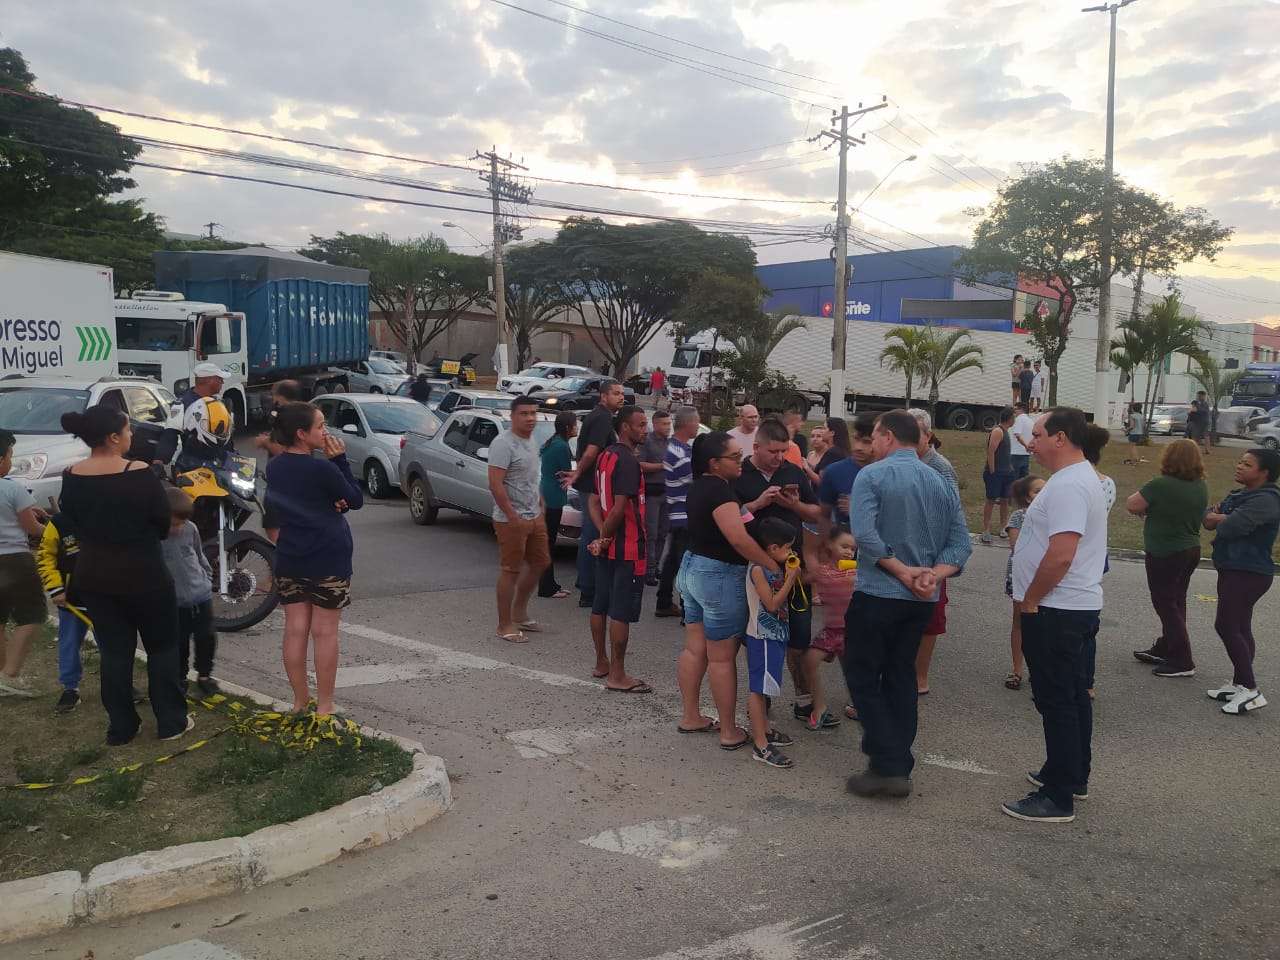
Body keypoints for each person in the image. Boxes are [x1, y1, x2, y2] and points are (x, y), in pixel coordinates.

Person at [843, 410, 971, 799]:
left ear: (886, 436)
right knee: (901, 676)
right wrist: (932, 574)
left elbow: (864, 535)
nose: (871, 444)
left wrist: (901, 571)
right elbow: (960, 544)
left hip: (879, 592)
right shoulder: (939, 480)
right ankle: (896, 759)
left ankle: (889, 764)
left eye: (874, 436)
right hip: (921, 598)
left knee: (863, 678)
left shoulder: (872, 475)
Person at [56, 407, 191, 743]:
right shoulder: (139, 471)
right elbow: (162, 523)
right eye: (128, 429)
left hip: (96, 578)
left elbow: (69, 521)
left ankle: (122, 727)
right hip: (145, 575)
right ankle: (172, 722)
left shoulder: (72, 474)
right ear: (114, 437)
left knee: (115, 652)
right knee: (161, 649)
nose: (131, 435)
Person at [1004, 407, 1108, 824]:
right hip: (1070, 606)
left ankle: (1058, 796)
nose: (1031, 442)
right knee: (1073, 695)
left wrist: (1031, 600)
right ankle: (1070, 773)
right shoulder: (1076, 479)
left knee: (1058, 701)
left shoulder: (1068, 486)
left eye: (1039, 434)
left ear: (1061, 438)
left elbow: (1062, 554)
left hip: (1057, 608)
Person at [676, 431, 778, 746]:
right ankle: (729, 732)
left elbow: (731, 517)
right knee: (721, 657)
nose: (741, 460)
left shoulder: (702, 487)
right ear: (714, 463)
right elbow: (737, 538)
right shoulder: (719, 492)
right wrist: (772, 567)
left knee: (695, 648)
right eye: (734, 457)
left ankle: (691, 716)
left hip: (692, 569)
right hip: (718, 576)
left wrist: (755, 504)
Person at [264, 402, 364, 716]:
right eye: (320, 426)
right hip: (328, 557)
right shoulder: (324, 467)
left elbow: (313, 502)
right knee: (325, 632)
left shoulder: (276, 466)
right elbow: (355, 499)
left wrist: (336, 503)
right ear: (301, 433)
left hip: (291, 556)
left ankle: (299, 700)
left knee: (294, 629)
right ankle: (325, 705)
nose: (326, 432)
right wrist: (341, 461)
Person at [732, 418, 825, 726]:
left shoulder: (793, 471)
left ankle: (803, 700)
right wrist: (758, 503)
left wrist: (796, 505)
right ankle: (762, 698)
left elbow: (816, 513)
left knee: (798, 637)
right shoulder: (738, 474)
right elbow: (728, 517)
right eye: (773, 451)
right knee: (757, 638)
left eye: (785, 450)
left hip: (792, 571)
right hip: (755, 570)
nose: (780, 457)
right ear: (756, 447)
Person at [1202, 447, 1280, 715]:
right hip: (1231, 567)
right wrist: (1221, 517)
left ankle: (1250, 689)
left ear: (1264, 472)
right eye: (1239, 462)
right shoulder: (1240, 494)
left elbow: (1233, 526)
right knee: (1241, 626)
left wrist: (1221, 517)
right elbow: (1209, 519)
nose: (1239, 466)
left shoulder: (1267, 500)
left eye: (1246, 464)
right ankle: (1239, 683)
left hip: (1249, 571)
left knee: (1225, 625)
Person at [1125, 440, 1209, 678]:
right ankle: (1166, 646)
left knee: (1164, 603)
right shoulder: (1201, 485)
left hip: (1165, 551)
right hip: (1190, 548)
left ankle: (1183, 659)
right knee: (1176, 600)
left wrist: (1147, 508)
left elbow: (1132, 504)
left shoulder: (1160, 485)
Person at [587, 406, 650, 693]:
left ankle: (601, 662)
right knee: (621, 612)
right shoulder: (626, 460)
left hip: (608, 547)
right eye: (640, 424)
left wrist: (601, 538)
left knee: (600, 605)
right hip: (627, 547)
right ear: (625, 427)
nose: (645, 429)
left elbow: (593, 499)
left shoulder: (605, 455)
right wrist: (607, 536)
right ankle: (618, 674)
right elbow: (620, 508)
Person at [487, 396, 550, 643]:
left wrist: (541, 502)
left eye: (533, 413)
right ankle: (504, 625)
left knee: (541, 562)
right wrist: (512, 516)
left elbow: (532, 477)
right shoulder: (503, 443)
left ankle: (520, 612)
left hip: (534, 515)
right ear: (513, 416)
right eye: (524, 413)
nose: (530, 418)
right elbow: (495, 483)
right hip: (510, 519)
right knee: (510, 570)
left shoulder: (532, 440)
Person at [744, 518, 802, 768]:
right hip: (762, 636)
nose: (790, 552)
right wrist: (790, 578)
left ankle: (765, 729)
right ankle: (760, 744)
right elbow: (771, 604)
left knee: (766, 686)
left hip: (775, 634)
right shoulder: (758, 569)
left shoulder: (773, 565)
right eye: (787, 547)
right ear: (772, 548)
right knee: (759, 689)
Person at [909, 408, 960, 696]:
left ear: (928, 436)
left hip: (931, 555)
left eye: (913, 434)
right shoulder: (900, 462)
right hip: (904, 552)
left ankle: (920, 677)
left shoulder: (939, 467)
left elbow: (952, 513)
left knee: (930, 618)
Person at [565, 380, 626, 608]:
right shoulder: (601, 418)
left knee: (593, 534)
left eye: (622, 394)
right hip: (592, 486)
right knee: (593, 535)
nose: (620, 397)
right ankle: (589, 589)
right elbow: (592, 452)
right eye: (615, 394)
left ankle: (589, 585)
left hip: (593, 484)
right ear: (603, 396)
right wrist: (577, 472)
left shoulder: (603, 417)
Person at [0, 429, 48, 699]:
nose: (10, 461)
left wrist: (27, 509)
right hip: (14, 559)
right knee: (33, 614)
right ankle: (11, 674)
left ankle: (1, 676)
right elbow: (32, 528)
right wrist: (54, 527)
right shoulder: (11, 488)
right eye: (10, 455)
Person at [162, 486, 219, 696]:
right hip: (174, 603)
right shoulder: (156, 538)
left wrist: (206, 576)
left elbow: (198, 554)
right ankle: (180, 676)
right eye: (175, 524)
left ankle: (204, 674)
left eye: (184, 522)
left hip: (200, 596)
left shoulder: (190, 529)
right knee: (179, 643)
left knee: (207, 637)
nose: (180, 527)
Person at [35, 500, 90, 712]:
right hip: (71, 599)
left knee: (112, 645)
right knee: (68, 643)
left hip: (102, 597)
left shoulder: (104, 515)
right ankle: (70, 688)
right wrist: (56, 589)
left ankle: (121, 683)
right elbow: (45, 556)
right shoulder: (58, 523)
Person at [804, 526, 858, 726]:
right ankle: (820, 707)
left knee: (854, 670)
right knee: (809, 661)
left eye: (852, 549)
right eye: (844, 546)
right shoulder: (822, 571)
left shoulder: (856, 572)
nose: (849, 552)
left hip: (852, 632)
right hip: (832, 631)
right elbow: (802, 578)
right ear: (830, 545)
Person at [655, 407, 700, 618]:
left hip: (676, 513)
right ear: (689, 423)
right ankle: (686, 609)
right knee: (685, 563)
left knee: (673, 560)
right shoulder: (681, 453)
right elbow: (695, 481)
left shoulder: (675, 447)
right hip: (684, 514)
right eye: (697, 421)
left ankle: (664, 601)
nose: (698, 425)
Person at [1003, 474, 1045, 691]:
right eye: (1037, 491)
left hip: (1046, 576)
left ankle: (1041, 671)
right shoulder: (1019, 516)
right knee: (1020, 622)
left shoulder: (1054, 515)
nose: (1043, 494)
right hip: (1021, 576)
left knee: (1045, 625)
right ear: (1027, 498)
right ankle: (1017, 670)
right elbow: (1016, 546)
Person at [538, 411, 577, 600]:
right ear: (568, 428)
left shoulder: (552, 442)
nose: (577, 427)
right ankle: (546, 587)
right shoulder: (562, 446)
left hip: (547, 491)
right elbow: (567, 472)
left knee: (548, 541)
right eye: (575, 424)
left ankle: (550, 583)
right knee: (549, 543)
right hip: (553, 496)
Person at [255, 379, 301, 543]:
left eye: (274, 394)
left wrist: (265, 443)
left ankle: (281, 560)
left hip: (283, 481)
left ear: (280, 397)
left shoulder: (286, 417)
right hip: (293, 480)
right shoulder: (301, 414)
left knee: (273, 525)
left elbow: (286, 452)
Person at [817, 412, 877, 532]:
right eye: (856, 439)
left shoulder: (894, 475)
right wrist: (829, 544)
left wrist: (857, 509)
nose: (858, 447)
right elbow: (824, 517)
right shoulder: (835, 472)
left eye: (867, 442)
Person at [637, 410, 672, 587]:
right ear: (656, 424)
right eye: (664, 424)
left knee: (662, 532)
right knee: (650, 533)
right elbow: (639, 465)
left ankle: (656, 565)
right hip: (651, 493)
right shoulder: (647, 441)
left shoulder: (670, 443)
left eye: (669, 424)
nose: (668, 427)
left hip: (667, 492)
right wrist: (661, 466)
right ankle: (648, 570)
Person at [980, 407, 1017, 544]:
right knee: (990, 500)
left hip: (1007, 473)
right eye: (1014, 417)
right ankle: (986, 530)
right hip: (996, 473)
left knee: (1005, 500)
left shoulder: (1007, 432)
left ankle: (1003, 527)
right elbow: (991, 452)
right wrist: (992, 471)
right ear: (1010, 418)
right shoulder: (998, 431)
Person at [803, 419, 845, 485]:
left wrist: (806, 467)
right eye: (812, 436)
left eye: (825, 428)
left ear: (832, 433)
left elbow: (821, 481)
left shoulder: (832, 453)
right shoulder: (840, 451)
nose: (822, 432)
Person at [1009, 401, 1034, 479]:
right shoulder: (1030, 421)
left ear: (1021, 410)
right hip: (1025, 454)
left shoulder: (1019, 419)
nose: (1014, 411)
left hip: (1015, 453)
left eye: (1015, 409)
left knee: (1012, 479)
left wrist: (1026, 446)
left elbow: (1017, 435)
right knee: (1023, 480)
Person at [1187, 390, 1211, 455]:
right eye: (1198, 395)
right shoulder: (1196, 403)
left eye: (1200, 396)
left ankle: (1207, 449)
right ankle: (1194, 449)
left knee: (1206, 436)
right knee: (1194, 436)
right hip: (1197, 422)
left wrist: (1195, 409)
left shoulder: (1205, 403)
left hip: (1204, 422)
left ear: (1203, 396)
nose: (1198, 397)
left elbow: (1203, 411)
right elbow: (1190, 412)